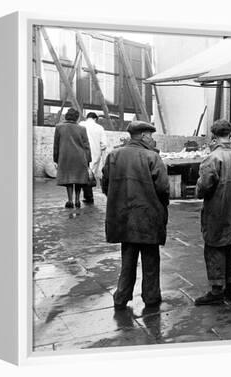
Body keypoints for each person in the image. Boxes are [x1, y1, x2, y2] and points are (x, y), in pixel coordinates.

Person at [101, 121, 170, 310]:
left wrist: (118, 200)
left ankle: (121, 297)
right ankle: (151, 296)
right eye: (150, 135)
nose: (152, 139)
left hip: (124, 217)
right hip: (148, 217)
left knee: (128, 259)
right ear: (142, 136)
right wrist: (162, 206)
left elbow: (105, 184)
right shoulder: (152, 157)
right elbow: (163, 188)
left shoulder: (113, 155)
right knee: (150, 259)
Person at [194, 119, 231, 306]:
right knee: (229, 247)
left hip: (217, 212)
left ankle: (216, 290)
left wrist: (198, 191)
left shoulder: (213, 158)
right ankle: (230, 288)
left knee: (214, 247)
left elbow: (204, 187)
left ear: (213, 135)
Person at [53, 108, 92, 208]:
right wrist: (88, 160)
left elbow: (56, 145)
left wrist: (56, 159)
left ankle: (70, 200)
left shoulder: (59, 127)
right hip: (80, 157)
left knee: (68, 179)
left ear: (66, 116)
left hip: (65, 157)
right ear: (77, 118)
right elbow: (86, 146)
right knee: (78, 179)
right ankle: (77, 200)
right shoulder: (82, 129)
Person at [79, 112, 107, 204]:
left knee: (82, 175)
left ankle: (85, 197)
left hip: (81, 153)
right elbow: (104, 144)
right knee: (91, 174)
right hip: (95, 154)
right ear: (95, 119)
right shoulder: (100, 128)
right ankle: (89, 197)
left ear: (87, 118)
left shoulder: (80, 125)